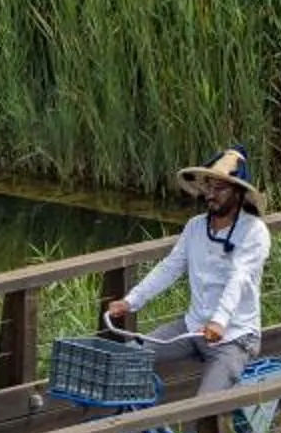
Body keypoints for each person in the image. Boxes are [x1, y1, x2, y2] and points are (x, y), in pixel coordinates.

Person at [105, 145, 270, 395]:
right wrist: (131, 301)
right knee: (129, 357)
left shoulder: (253, 231)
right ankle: (136, 430)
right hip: (192, 327)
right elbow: (169, 268)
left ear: (238, 193)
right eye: (208, 187)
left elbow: (240, 278)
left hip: (234, 335)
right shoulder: (195, 227)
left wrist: (219, 321)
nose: (211, 195)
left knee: (205, 406)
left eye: (220, 188)